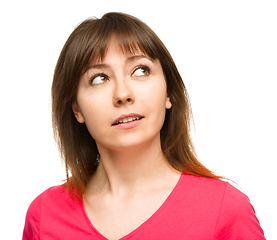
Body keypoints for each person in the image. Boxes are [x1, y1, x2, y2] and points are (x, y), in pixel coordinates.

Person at [23, 12, 265, 240]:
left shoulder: (226, 209)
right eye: (99, 78)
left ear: (169, 92)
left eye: (141, 70)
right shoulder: (44, 216)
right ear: (77, 109)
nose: (123, 94)